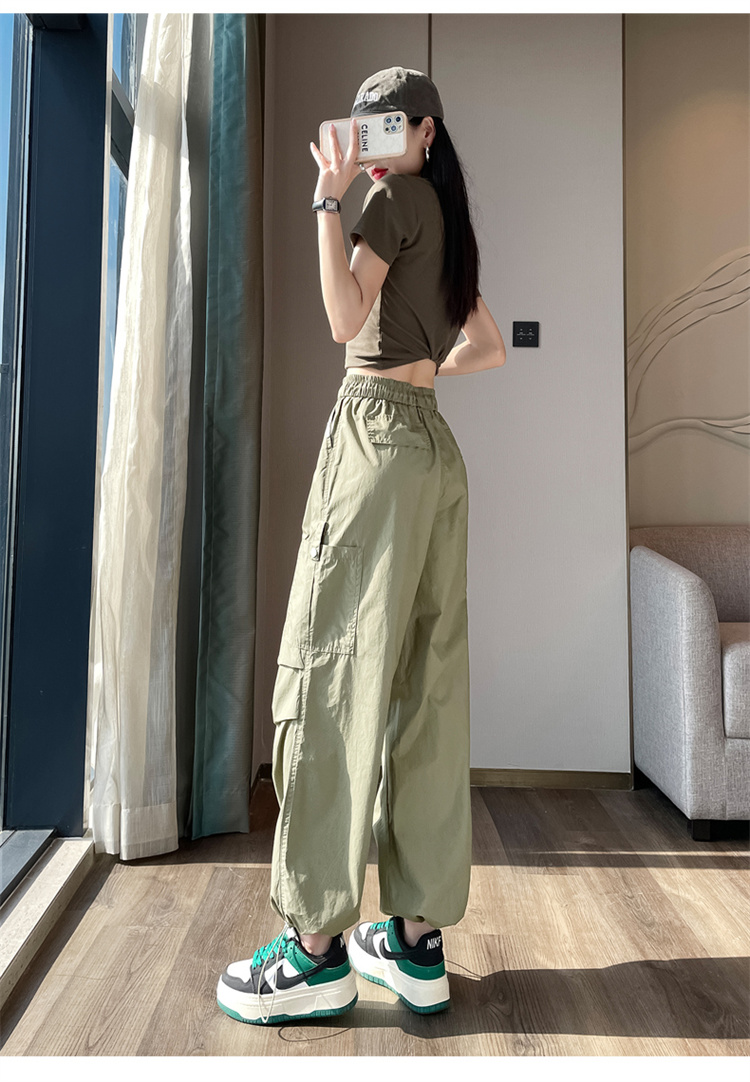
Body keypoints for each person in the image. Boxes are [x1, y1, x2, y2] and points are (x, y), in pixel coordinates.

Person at [217, 67, 505, 1027]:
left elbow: (344, 320)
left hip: (375, 440)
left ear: (425, 132)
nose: (374, 142)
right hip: (434, 454)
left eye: (390, 128)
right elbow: (487, 347)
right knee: (428, 690)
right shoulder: (450, 219)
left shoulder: (389, 202)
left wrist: (324, 198)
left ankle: (312, 953)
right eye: (365, 127)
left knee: (334, 675)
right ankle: (416, 944)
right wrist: (427, 372)